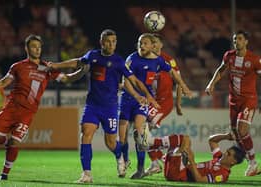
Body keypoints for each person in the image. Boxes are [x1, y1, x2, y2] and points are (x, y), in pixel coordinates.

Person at [49, 29, 158, 183]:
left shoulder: (119, 61)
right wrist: (57, 66)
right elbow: (77, 62)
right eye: (108, 41)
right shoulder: (93, 56)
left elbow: (134, 80)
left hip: (110, 107)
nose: (111, 44)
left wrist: (142, 95)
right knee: (86, 133)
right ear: (102, 42)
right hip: (92, 105)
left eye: (114, 41)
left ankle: (120, 158)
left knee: (111, 142)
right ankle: (87, 174)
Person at [0, 34, 84, 181]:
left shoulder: (47, 68)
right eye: (34, 46)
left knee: (15, 141)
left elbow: (67, 78)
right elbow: (3, 83)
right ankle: (10, 146)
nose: (37, 49)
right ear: (27, 48)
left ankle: (4, 174)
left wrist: (82, 71)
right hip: (11, 108)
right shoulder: (17, 67)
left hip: (27, 113)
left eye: (39, 47)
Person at [118, 33, 193, 179]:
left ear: (156, 45)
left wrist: (182, 90)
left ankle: (160, 157)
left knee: (141, 133)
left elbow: (176, 76)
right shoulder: (133, 58)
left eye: (153, 42)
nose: (144, 45)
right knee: (135, 135)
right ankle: (155, 159)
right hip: (139, 99)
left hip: (159, 102)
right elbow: (127, 78)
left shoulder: (165, 60)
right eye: (141, 42)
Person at [205, 30, 261, 176]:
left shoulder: (254, 59)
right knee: (236, 133)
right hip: (233, 100)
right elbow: (221, 70)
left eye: (240, 39)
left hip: (248, 99)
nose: (237, 42)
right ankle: (247, 161)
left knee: (242, 130)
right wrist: (211, 84)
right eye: (235, 39)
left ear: (246, 41)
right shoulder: (229, 56)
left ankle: (253, 162)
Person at [144, 33, 183, 176]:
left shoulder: (168, 61)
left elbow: (178, 82)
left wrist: (178, 104)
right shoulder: (145, 60)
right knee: (141, 131)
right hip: (151, 103)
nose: (153, 45)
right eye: (151, 42)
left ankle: (158, 160)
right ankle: (162, 157)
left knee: (142, 129)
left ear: (161, 45)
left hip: (164, 103)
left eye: (156, 42)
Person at [143, 132, 246, 183]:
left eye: (228, 154)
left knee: (185, 139)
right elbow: (212, 141)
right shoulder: (218, 158)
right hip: (180, 169)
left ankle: (151, 144)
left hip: (179, 175)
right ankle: (151, 148)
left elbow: (200, 180)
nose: (224, 153)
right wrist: (226, 136)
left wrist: (192, 161)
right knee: (180, 142)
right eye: (227, 151)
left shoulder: (222, 175)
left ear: (233, 161)